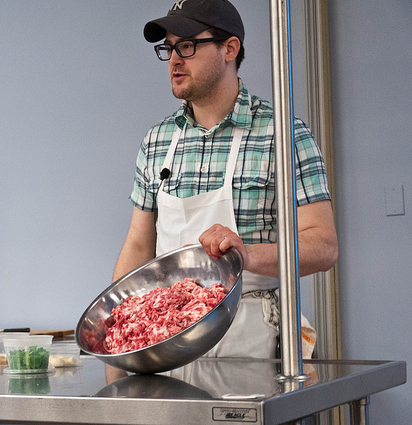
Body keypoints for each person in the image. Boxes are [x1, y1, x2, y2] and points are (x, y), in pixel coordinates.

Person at [112, 0, 338, 359]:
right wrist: (117, 341)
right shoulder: (157, 141)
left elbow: (324, 246)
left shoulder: (283, 134)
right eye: (168, 48)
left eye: (187, 45)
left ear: (229, 48)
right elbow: (139, 246)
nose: (174, 59)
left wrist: (247, 255)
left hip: (250, 338)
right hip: (166, 340)